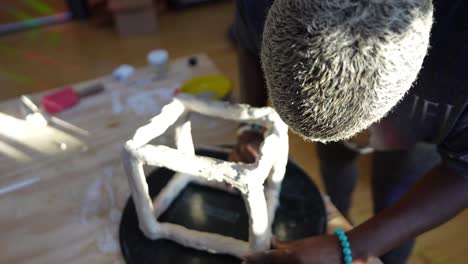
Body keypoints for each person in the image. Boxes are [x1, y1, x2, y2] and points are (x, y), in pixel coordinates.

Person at [229, 0, 468, 263]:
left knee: (394, 199)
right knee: (334, 172)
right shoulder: (257, 6)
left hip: (418, 143)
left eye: (356, 132)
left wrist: (359, 246)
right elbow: (248, 43)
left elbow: (463, 169)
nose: (355, 141)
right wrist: (252, 126)